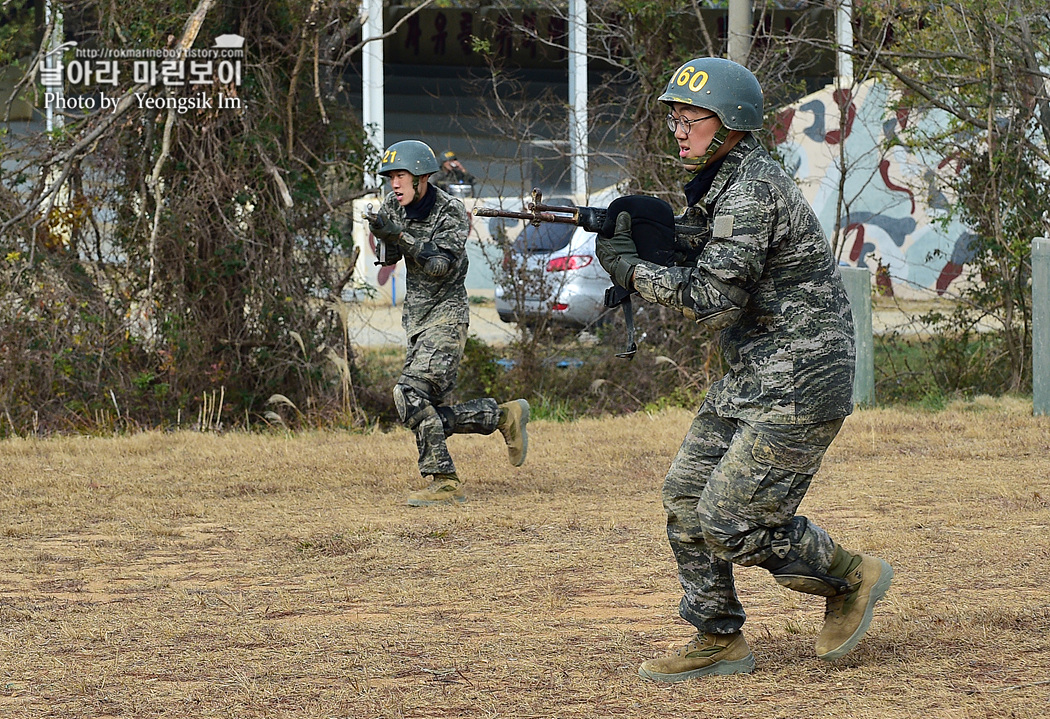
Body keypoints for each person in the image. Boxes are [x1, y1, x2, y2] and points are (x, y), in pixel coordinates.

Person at [595, 58, 894, 682]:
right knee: (684, 499)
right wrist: (644, 230)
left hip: (801, 376)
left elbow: (713, 296)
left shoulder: (752, 188)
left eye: (692, 117)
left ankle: (848, 575)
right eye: (674, 116)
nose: (679, 129)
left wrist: (631, 271)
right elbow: (705, 242)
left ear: (730, 123)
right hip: (753, 370)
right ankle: (718, 638)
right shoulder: (722, 180)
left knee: (730, 522)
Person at [368, 139, 529, 506]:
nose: (394, 184)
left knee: (408, 394)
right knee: (425, 413)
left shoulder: (451, 212)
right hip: (417, 321)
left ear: (421, 177)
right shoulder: (396, 205)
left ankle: (444, 481)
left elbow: (439, 266)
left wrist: (399, 233)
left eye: (401, 176)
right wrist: (382, 233)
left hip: (447, 317)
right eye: (390, 177)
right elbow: (390, 256)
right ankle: (503, 415)